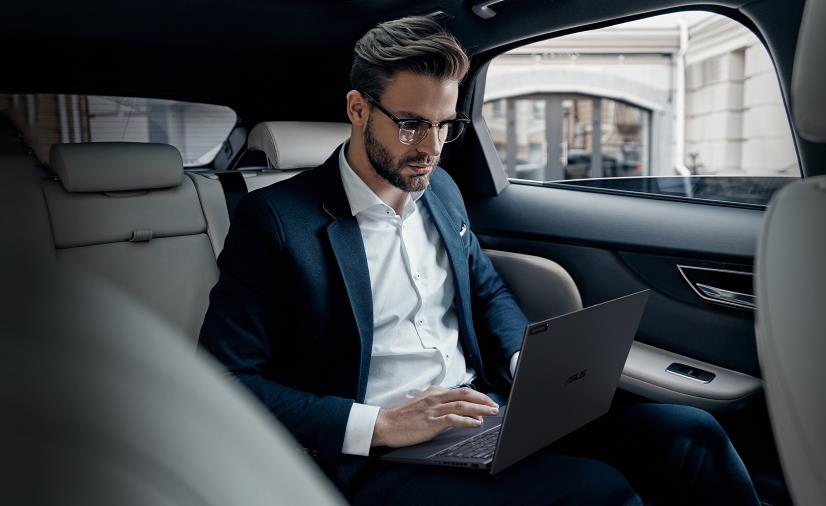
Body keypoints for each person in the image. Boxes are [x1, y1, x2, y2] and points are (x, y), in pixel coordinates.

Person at [199, 15, 761, 506]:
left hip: (488, 412)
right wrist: (383, 425)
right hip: (378, 458)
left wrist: (524, 364)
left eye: (445, 125)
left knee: (691, 435)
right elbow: (226, 378)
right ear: (357, 109)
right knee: (599, 493)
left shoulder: (441, 190)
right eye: (412, 123)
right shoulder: (274, 221)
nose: (432, 148)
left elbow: (486, 291)